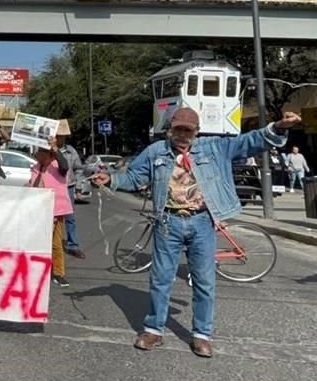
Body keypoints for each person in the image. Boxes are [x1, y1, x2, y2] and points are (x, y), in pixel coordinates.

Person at [92, 108, 299, 358]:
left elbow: (249, 142)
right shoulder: (156, 152)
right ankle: (153, 330)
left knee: (204, 282)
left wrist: (279, 126)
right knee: (160, 279)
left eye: (187, 130)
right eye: (177, 129)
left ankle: (201, 335)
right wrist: (111, 179)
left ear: (196, 132)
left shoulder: (214, 147)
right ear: (170, 129)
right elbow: (135, 178)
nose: (182, 135)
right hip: (168, 222)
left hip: (202, 222)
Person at [28, 138, 73, 287]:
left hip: (56, 209)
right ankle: (39, 270)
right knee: (40, 242)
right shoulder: (36, 167)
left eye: (39, 152)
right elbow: (33, 186)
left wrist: (54, 147)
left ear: (47, 154)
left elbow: (65, 165)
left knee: (55, 244)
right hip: (39, 210)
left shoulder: (57, 166)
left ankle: (59, 274)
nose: (36, 154)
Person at [55, 120, 85, 259]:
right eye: (58, 135)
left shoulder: (71, 150)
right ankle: (48, 244)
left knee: (70, 218)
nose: (60, 138)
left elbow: (78, 169)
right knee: (51, 218)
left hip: (68, 187)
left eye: (63, 136)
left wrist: (78, 188)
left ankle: (73, 245)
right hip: (53, 188)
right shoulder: (48, 150)